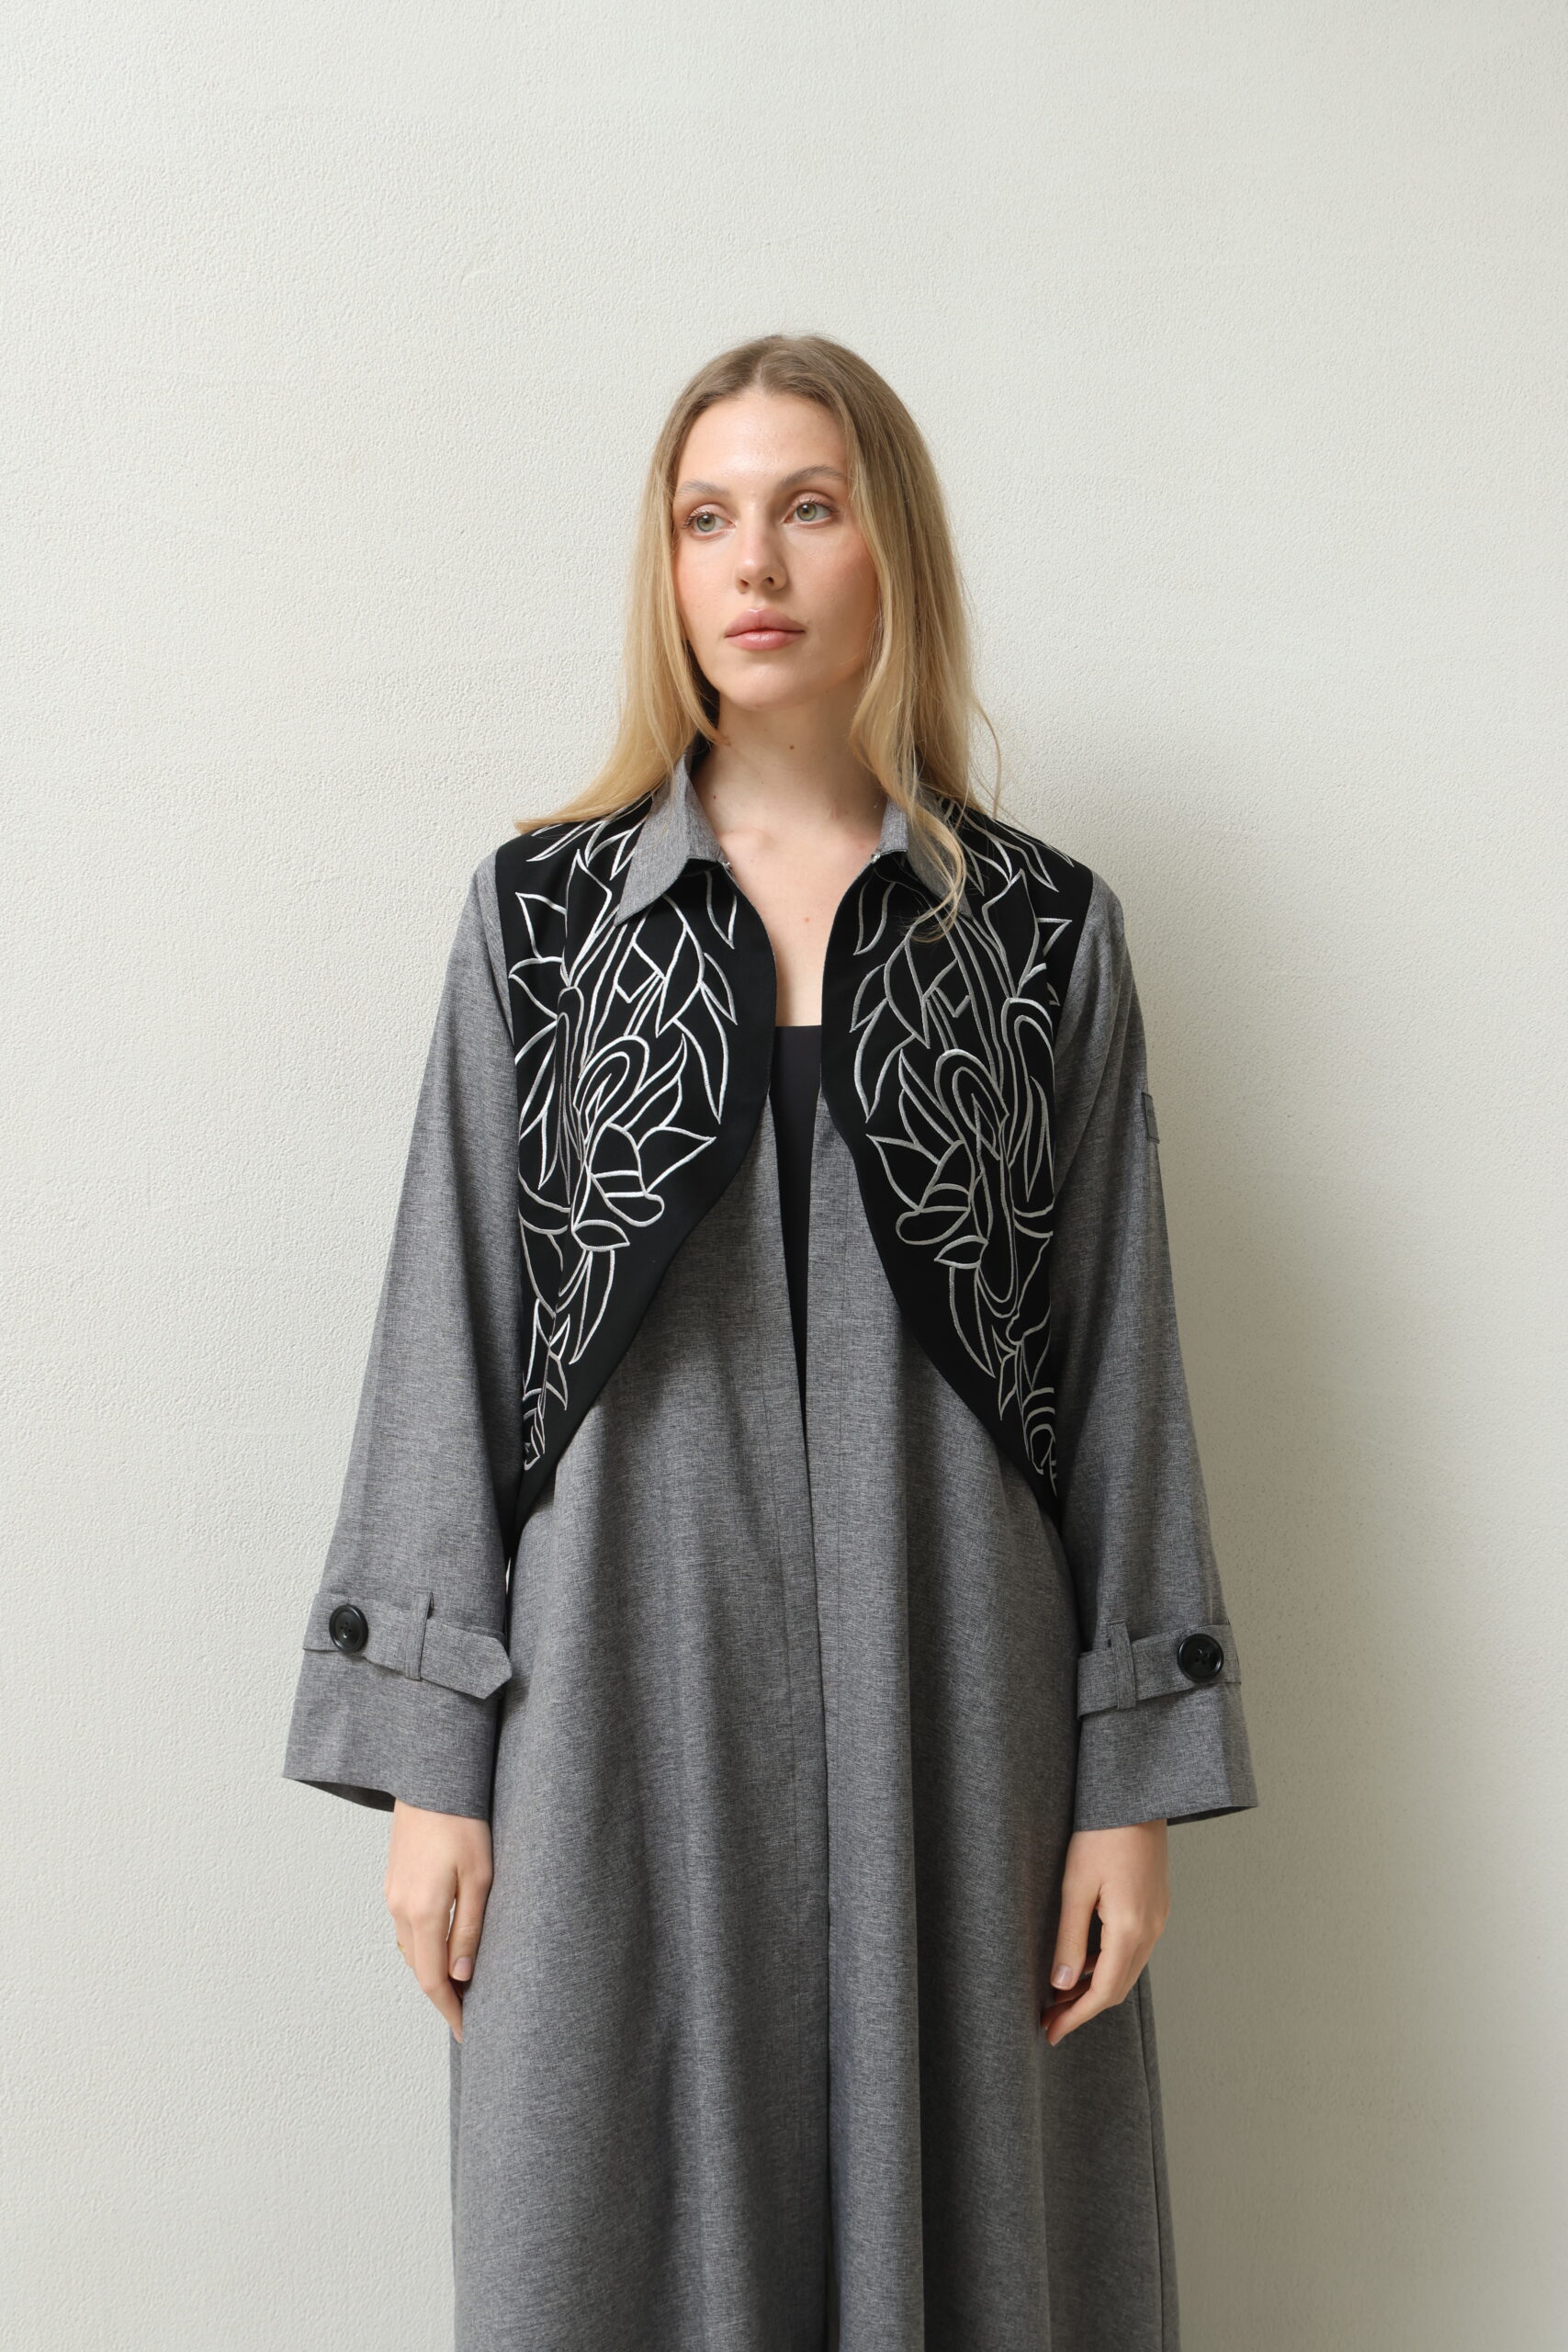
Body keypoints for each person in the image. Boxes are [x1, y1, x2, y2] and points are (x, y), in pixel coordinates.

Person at [281, 331, 1258, 2351]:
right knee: (604, 2210)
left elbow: (1118, 1368)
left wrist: (1129, 1784)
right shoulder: (546, 925)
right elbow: (449, 1322)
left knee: (975, 2237)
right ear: (665, 568)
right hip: (610, 1707)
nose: (755, 562)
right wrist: (431, 1766)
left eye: (809, 507)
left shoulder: (1038, 935)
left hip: (961, 1713)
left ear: (891, 550)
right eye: (706, 517)